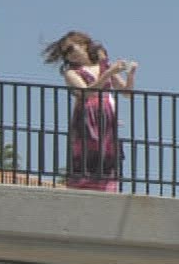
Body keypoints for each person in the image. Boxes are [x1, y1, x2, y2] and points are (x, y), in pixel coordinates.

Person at [44, 31, 130, 191]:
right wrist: (108, 74)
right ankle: (83, 185)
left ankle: (106, 186)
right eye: (65, 53)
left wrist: (130, 74)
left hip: (106, 117)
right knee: (87, 151)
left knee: (107, 152)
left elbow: (126, 92)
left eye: (70, 49)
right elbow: (86, 93)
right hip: (87, 117)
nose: (69, 55)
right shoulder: (72, 73)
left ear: (83, 44)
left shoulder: (103, 66)